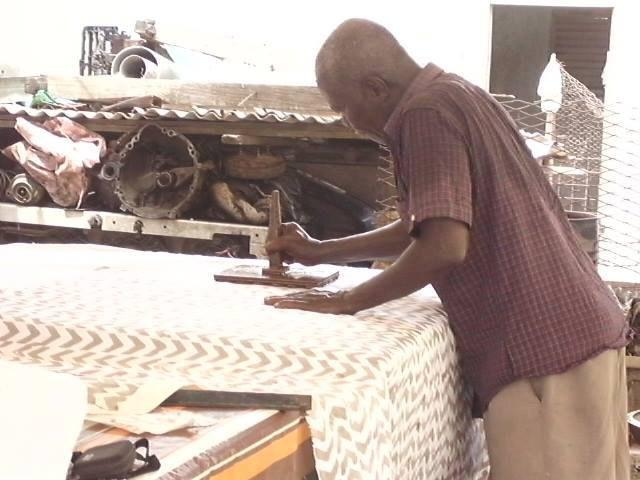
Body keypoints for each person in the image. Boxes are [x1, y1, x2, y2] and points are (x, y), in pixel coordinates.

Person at [264, 18, 630, 480]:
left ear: (375, 87)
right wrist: (321, 251)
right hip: (575, 336)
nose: (348, 123)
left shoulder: (424, 116)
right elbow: (425, 224)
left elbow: (444, 246)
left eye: (344, 109)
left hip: (546, 353)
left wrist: (350, 299)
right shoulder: (455, 93)